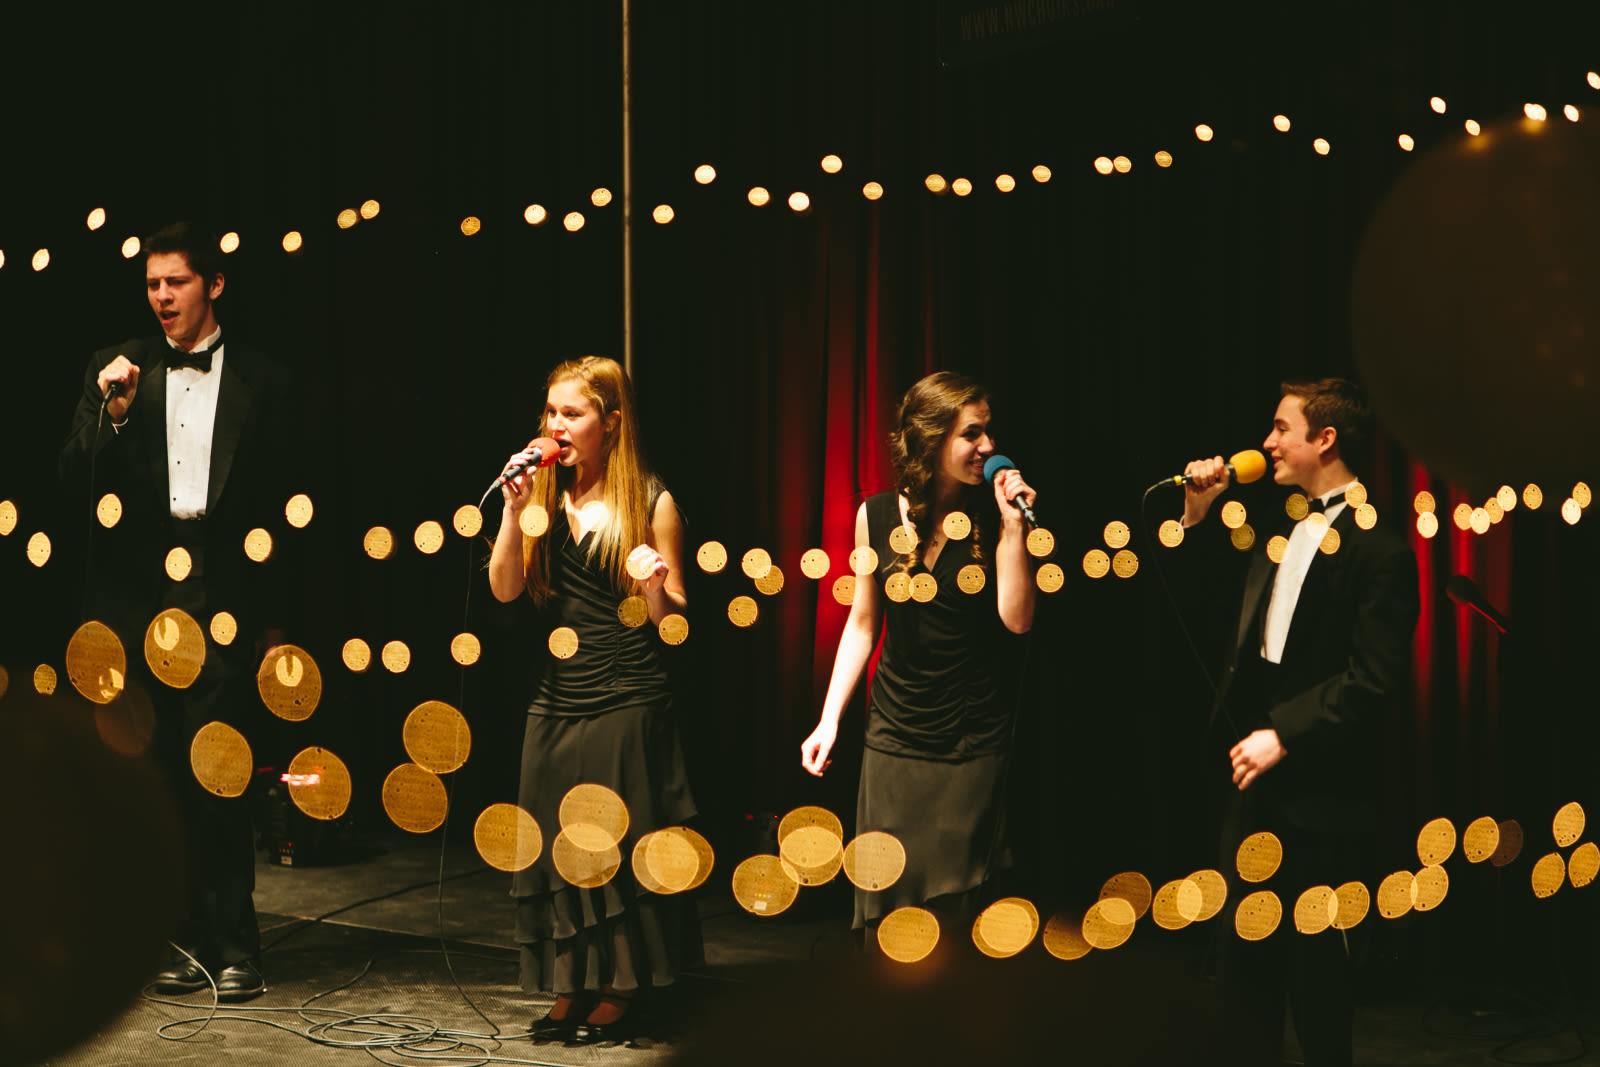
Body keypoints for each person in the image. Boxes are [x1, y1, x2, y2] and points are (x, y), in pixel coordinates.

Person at [59, 221, 297, 1002]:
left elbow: (282, 508)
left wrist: (275, 630)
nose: (162, 297)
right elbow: (73, 479)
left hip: (219, 591)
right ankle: (176, 940)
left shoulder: (261, 377)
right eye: (154, 284)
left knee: (218, 770)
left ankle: (236, 944)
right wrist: (117, 413)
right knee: (155, 776)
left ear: (214, 285)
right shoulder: (117, 371)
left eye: (177, 283)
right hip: (140, 598)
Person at [1178, 378, 1419, 1067]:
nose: (1267, 442)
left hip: (1324, 801)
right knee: (1242, 978)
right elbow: (1208, 618)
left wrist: (1285, 731)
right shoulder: (1278, 529)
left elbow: (1373, 680)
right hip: (1255, 790)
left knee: (1318, 991)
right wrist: (1198, 512)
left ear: (1325, 439)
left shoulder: (1384, 553)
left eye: (1282, 428)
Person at [488, 355, 698, 1043]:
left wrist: (655, 582)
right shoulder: (542, 497)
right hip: (556, 696)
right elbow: (505, 590)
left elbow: (673, 627)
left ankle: (622, 983)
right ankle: (570, 982)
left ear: (611, 423)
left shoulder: (650, 500)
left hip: (627, 693)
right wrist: (515, 513)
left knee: (612, 842)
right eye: (550, 412)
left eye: (571, 413)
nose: (556, 426)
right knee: (556, 842)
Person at [801, 371, 1036, 943]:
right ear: (932, 440)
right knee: (889, 898)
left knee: (957, 910)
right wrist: (829, 719)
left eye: (989, 432)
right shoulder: (875, 516)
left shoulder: (992, 516)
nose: (988, 447)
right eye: (972, 433)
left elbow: (1017, 618)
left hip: (969, 739)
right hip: (896, 735)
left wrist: (1013, 530)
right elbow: (863, 623)